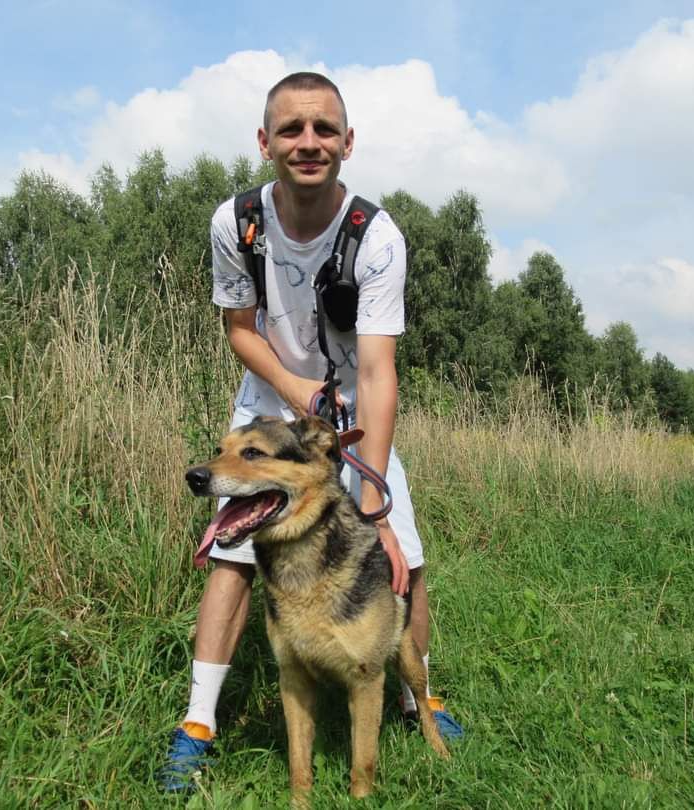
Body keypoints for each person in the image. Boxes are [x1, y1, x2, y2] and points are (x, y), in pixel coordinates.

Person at [160, 71, 462, 792]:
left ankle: (420, 697)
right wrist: (296, 391)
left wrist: (376, 500)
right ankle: (198, 724)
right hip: (271, 395)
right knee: (233, 552)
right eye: (291, 129)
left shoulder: (376, 236)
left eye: (324, 129)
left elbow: (380, 370)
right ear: (265, 142)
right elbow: (240, 329)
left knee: (402, 558)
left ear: (348, 143)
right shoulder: (236, 223)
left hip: (354, 409)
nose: (309, 142)